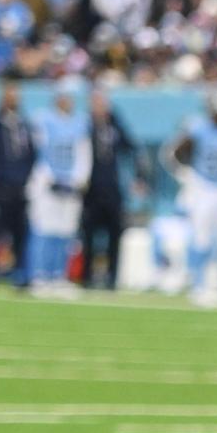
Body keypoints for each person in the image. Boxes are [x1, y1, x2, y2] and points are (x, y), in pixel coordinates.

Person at [163, 87, 217, 305]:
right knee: (201, 237)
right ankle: (199, 285)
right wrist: (186, 174)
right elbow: (174, 153)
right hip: (204, 187)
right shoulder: (197, 128)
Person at [26, 82, 91, 295]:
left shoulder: (80, 122)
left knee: (66, 232)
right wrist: (49, 178)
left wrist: (78, 179)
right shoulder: (42, 119)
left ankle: (59, 276)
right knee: (44, 229)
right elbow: (37, 152)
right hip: (47, 184)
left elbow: (83, 153)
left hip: (70, 184)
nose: (66, 101)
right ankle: (39, 275)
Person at [79, 88, 138, 291]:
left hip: (112, 189)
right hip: (92, 190)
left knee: (114, 236)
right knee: (89, 236)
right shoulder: (85, 127)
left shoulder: (114, 127)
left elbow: (130, 146)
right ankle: (86, 276)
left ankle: (112, 277)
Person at [0, 83, 34, 288]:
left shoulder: (23, 126)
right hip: (1, 189)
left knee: (21, 233)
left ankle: (21, 274)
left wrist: (26, 179)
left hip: (21, 188)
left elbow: (31, 155)